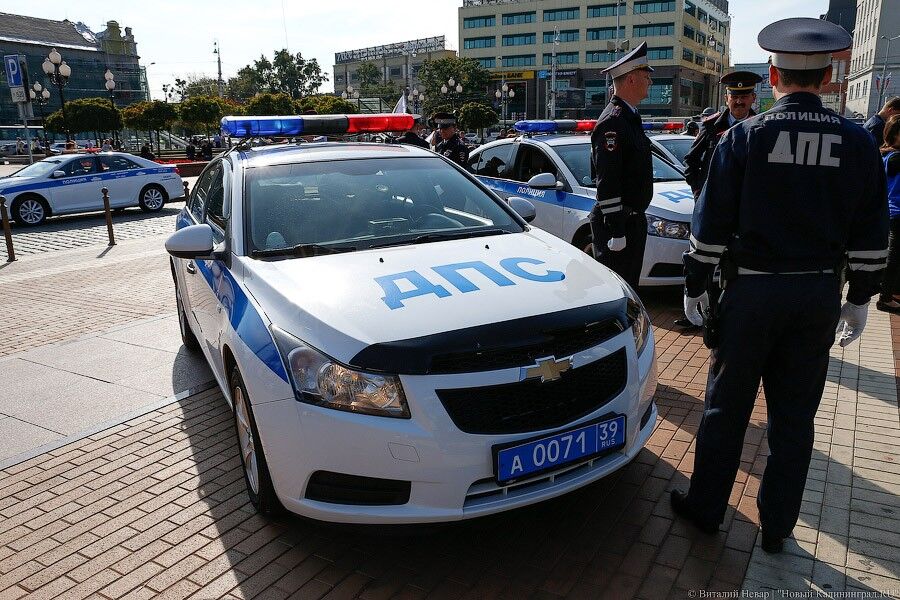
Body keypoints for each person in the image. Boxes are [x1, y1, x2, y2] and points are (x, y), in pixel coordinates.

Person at [672, 18, 888, 554]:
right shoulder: (858, 142)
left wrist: (696, 284)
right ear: (829, 76)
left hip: (751, 295)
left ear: (773, 76)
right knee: (794, 419)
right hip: (816, 296)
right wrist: (860, 298)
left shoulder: (745, 137)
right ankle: (777, 526)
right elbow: (871, 229)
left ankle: (707, 510)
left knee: (725, 411)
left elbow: (710, 224)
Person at [589, 41, 655, 289]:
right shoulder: (614, 121)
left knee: (630, 288)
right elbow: (608, 178)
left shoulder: (629, 117)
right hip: (618, 223)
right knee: (618, 289)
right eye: (646, 77)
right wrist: (617, 229)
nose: (650, 82)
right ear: (631, 79)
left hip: (631, 221)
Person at [684, 71, 763, 200]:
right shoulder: (711, 126)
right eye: (734, 97)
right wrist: (699, 191)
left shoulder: (762, 127)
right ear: (726, 99)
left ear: (753, 98)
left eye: (744, 97)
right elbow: (691, 160)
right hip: (715, 200)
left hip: (748, 201)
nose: (739, 101)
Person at [877, 115, 900, 313]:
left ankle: (888, 292)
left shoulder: (885, 154)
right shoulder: (896, 157)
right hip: (897, 211)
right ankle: (885, 297)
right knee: (894, 256)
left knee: (893, 254)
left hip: (890, 210)